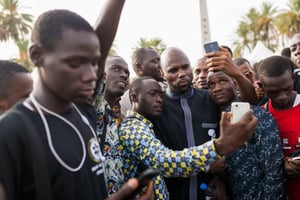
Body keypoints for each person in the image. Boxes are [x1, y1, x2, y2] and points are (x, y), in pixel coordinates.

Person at [0, 3, 153, 200]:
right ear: (37, 56)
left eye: (93, 63)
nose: (90, 75)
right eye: (75, 64)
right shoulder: (10, 133)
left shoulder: (83, 113)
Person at [120, 76, 257, 199]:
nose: (159, 100)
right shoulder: (133, 128)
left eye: (161, 95)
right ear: (134, 98)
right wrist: (217, 147)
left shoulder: (147, 125)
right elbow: (164, 162)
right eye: (152, 94)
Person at [153, 46, 257, 200]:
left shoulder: (210, 99)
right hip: (173, 192)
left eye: (185, 67)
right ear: (162, 74)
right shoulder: (157, 107)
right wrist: (205, 164)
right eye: (173, 70)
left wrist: (220, 177)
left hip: (207, 189)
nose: (181, 74)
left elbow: (250, 102)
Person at [206, 70, 286, 199]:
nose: (217, 88)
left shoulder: (257, 116)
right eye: (211, 85)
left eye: (223, 81)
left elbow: (273, 168)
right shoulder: (212, 122)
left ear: (235, 84)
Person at [257, 55, 300, 200]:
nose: (282, 97)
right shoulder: (258, 117)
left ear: (293, 78)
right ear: (261, 87)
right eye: (274, 92)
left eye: (286, 89)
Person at [120, 47, 166, 116]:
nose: (160, 65)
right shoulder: (125, 101)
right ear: (139, 67)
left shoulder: (167, 86)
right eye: (155, 61)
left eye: (160, 61)